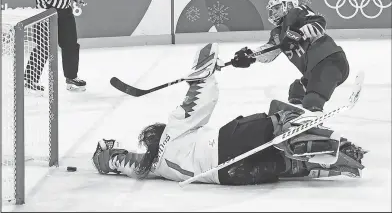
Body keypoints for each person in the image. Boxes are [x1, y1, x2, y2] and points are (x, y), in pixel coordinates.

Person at [92, 43, 366, 185]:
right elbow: (200, 100)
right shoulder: (172, 132)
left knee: (283, 163)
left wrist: (108, 156)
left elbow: (125, 163)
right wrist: (206, 69)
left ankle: (330, 163)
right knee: (278, 119)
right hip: (225, 145)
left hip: (232, 176)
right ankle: (327, 138)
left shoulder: (154, 167)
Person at [230, 0, 350, 112]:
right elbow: (269, 51)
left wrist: (298, 33)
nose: (274, 12)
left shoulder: (297, 12)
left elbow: (318, 22)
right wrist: (250, 56)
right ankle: (296, 118)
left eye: (277, 8)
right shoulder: (277, 33)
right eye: (273, 9)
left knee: (312, 100)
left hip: (330, 62)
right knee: (296, 90)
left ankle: (313, 121)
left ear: (289, 5)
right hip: (314, 71)